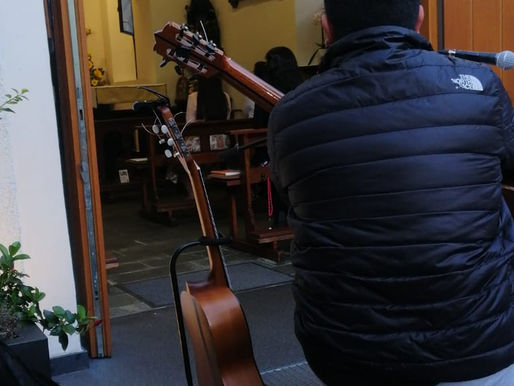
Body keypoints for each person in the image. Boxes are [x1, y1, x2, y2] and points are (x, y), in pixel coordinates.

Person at [267, 1, 514, 385]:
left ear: (327, 29)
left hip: (347, 353)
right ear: (419, 17)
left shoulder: (288, 113)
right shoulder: (481, 86)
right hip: (480, 347)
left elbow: (293, 203)